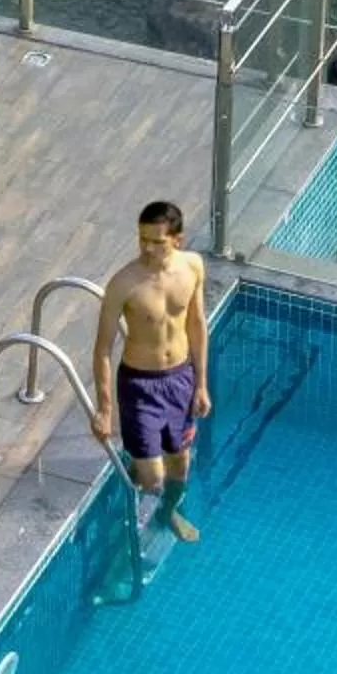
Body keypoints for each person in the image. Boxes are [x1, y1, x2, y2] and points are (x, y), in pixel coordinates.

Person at [90, 198, 211, 543]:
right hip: (140, 386)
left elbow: (197, 325)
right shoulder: (124, 283)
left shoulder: (193, 267)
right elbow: (102, 349)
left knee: (180, 465)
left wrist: (201, 385)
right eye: (142, 239)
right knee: (153, 478)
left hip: (181, 379)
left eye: (156, 241)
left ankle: (167, 511)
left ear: (178, 240)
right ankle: (141, 473)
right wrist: (104, 409)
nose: (147, 248)